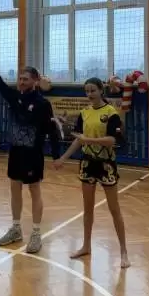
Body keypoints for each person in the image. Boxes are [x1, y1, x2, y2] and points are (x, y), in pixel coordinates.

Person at [0, 53, 60, 254]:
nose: (21, 82)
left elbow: (51, 131)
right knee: (14, 188)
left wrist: (57, 156)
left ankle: (36, 233)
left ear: (35, 81)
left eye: (25, 79)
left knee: (34, 190)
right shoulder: (14, 97)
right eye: (20, 79)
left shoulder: (42, 104)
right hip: (15, 152)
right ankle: (16, 228)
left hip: (33, 154)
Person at [54, 78, 130, 268]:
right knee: (87, 209)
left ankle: (123, 252)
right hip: (87, 163)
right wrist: (63, 158)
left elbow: (112, 140)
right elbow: (78, 140)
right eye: (87, 91)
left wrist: (88, 140)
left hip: (106, 164)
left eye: (93, 90)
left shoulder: (111, 113)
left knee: (114, 209)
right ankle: (86, 246)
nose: (89, 94)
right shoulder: (84, 113)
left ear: (101, 90)